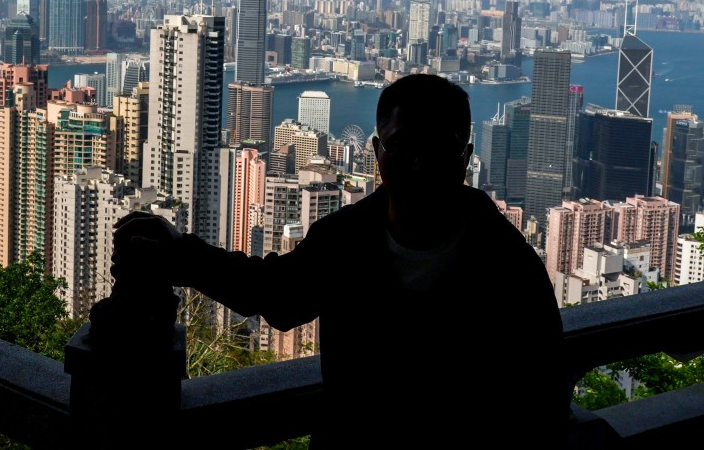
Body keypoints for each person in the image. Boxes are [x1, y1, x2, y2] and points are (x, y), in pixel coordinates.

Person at [110, 73, 570, 447]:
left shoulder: (508, 266)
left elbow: (543, 392)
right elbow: (276, 294)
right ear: (375, 152)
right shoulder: (345, 238)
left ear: (466, 157)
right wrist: (179, 253)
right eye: (402, 145)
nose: (417, 164)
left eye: (438, 149)